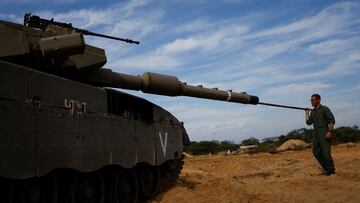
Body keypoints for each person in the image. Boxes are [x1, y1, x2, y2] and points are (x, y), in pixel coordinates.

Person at [305, 94, 335, 176]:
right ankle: (326, 169)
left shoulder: (324, 109)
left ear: (318, 100)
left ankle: (331, 171)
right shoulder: (313, 112)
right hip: (316, 135)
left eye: (313, 100)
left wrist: (330, 131)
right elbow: (308, 122)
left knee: (326, 153)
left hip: (324, 134)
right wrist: (307, 113)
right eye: (311, 100)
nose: (312, 101)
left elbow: (331, 120)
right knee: (316, 152)